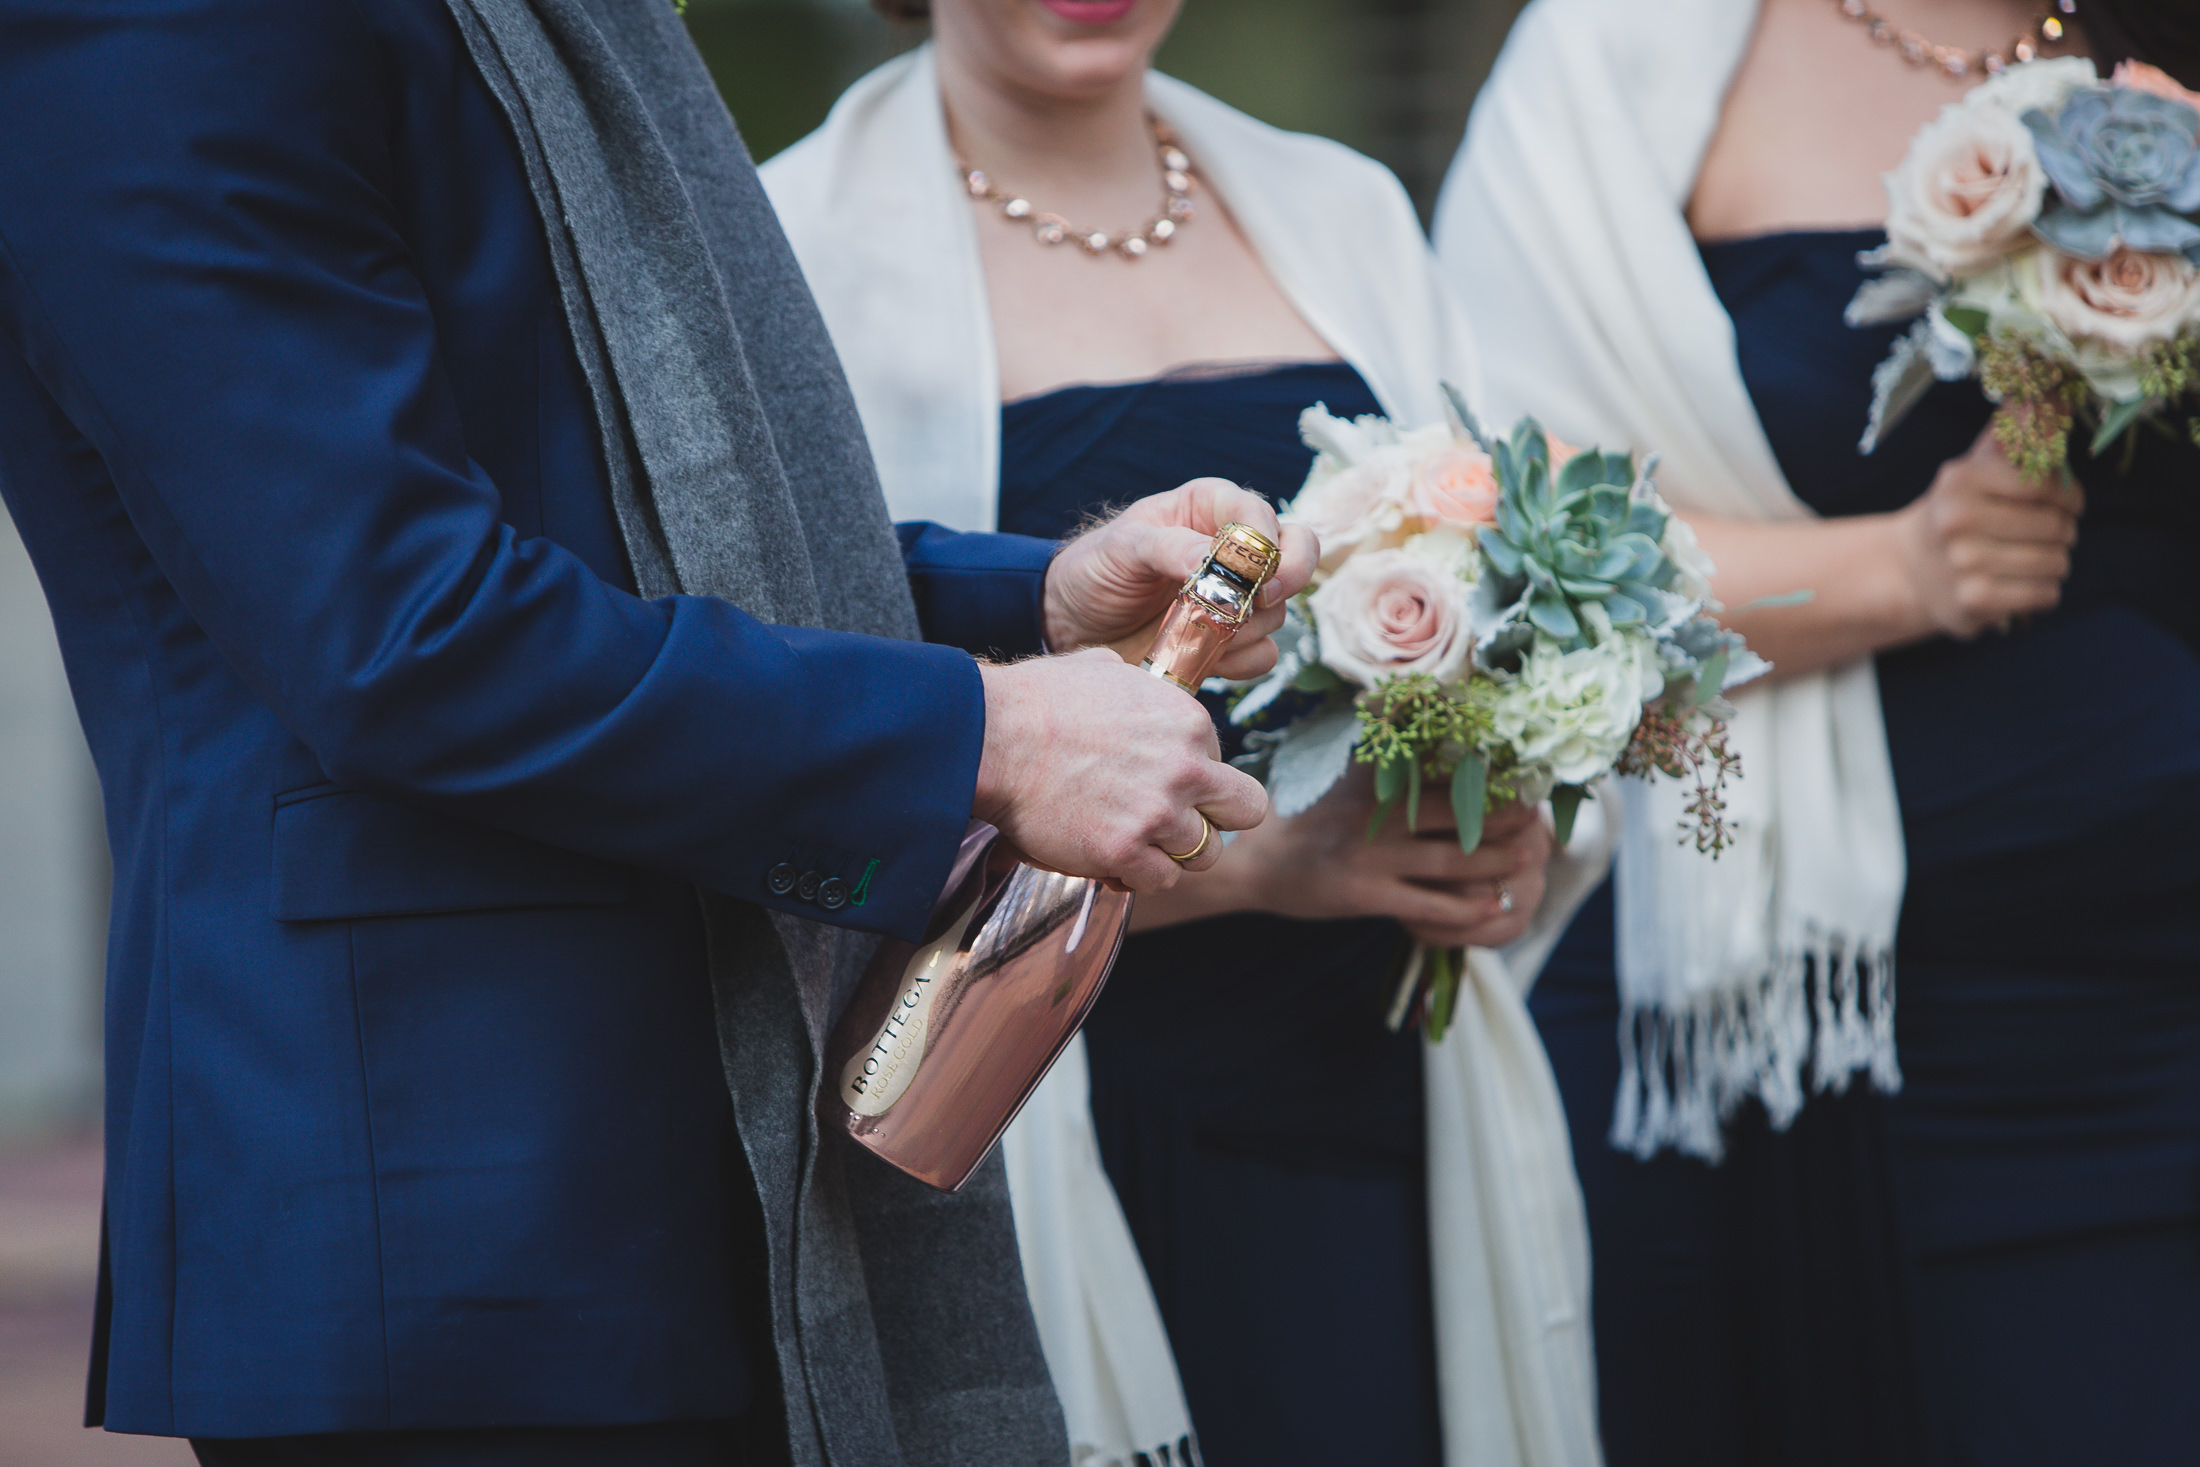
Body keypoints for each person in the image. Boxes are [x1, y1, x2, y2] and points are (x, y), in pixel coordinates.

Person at [0, 1, 1321, 1463]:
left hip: (703, 1125)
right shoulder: (157, 27)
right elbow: (401, 632)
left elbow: (648, 530)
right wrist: (988, 734)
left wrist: (1038, 599)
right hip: (441, 1214)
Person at [763, 4, 1593, 1465]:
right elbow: (803, 738)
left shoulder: (1341, 206)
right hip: (1063, 1099)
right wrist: (1269, 869)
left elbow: (1512, 554)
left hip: (1386, 1071)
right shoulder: (792, 247)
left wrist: (1502, 775)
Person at [1440, 1, 2200, 1463]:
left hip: (2162, 992)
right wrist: (1905, 573)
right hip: (1804, 1016)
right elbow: (1498, 540)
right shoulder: (1626, 56)